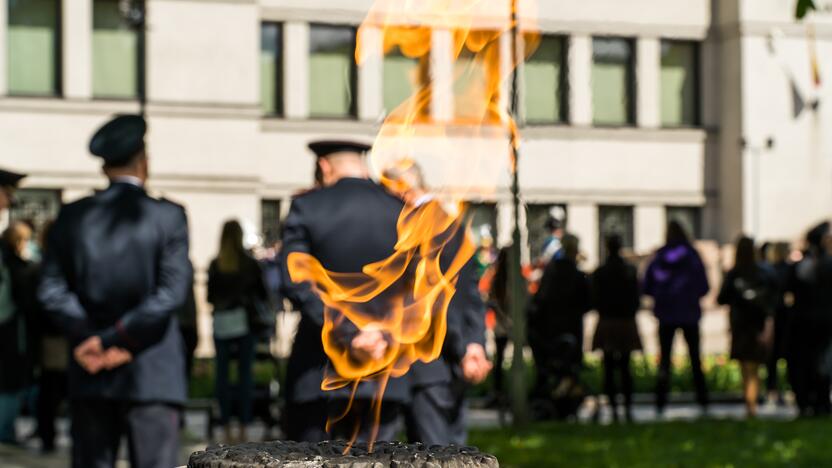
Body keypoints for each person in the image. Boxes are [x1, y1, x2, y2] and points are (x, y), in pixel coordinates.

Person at [38, 114, 192, 468]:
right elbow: (171, 293)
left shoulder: (73, 216)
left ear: (104, 167)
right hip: (151, 370)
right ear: (144, 163)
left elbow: (51, 290)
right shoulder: (168, 216)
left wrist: (91, 338)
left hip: (89, 367)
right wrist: (116, 340)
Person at [280, 140, 410, 443]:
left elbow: (296, 282)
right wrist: (382, 334)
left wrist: (349, 333)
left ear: (324, 166)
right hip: (384, 367)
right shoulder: (398, 209)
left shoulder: (307, 207)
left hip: (320, 368)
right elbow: (419, 286)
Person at [383, 161, 491, 445]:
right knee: (445, 448)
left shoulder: (421, 226)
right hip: (442, 362)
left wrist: (462, 347)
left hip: (426, 361)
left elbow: (439, 298)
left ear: (402, 192)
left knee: (433, 451)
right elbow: (470, 294)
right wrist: (473, 343)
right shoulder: (449, 223)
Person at [207, 219, 268, 443]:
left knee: (222, 377)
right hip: (244, 323)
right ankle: (243, 424)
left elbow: (210, 297)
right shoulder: (249, 264)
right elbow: (262, 295)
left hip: (222, 322)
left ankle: (224, 425)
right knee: (245, 377)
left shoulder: (216, 264)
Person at [643, 221, 710, 415]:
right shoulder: (692, 256)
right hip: (689, 314)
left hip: (666, 315)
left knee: (664, 360)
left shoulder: (659, 257)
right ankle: (703, 400)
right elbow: (703, 286)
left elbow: (647, 286)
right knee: (696, 359)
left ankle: (661, 403)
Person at [717, 236, 776, 417]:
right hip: (756, 324)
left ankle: (750, 406)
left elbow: (721, 298)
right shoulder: (764, 273)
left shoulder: (734, 273)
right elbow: (772, 299)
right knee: (754, 367)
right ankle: (751, 406)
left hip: (740, 324)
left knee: (746, 367)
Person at [530, 234, 591, 399]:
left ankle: (551, 396)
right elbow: (587, 302)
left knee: (551, 366)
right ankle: (567, 398)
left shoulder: (552, 271)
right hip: (570, 327)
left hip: (550, 328)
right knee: (569, 367)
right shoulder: (576, 274)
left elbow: (541, 299)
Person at [591, 234, 642, 423]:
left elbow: (594, 299)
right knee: (625, 367)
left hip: (608, 322)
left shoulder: (600, 272)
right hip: (625, 321)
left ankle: (613, 409)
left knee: (609, 368)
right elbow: (636, 298)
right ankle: (627, 408)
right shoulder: (629, 270)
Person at [786, 222, 832, 416]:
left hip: (804, 321)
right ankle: (820, 401)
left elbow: (788, 293)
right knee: (821, 362)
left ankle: (807, 401)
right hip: (823, 321)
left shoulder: (801, 266)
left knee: (806, 362)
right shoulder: (825, 265)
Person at [761, 242, 792, 403]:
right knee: (787, 354)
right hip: (785, 315)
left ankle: (771, 389)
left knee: (771, 357)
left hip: (771, 315)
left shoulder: (767, 270)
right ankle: (789, 388)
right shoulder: (789, 269)